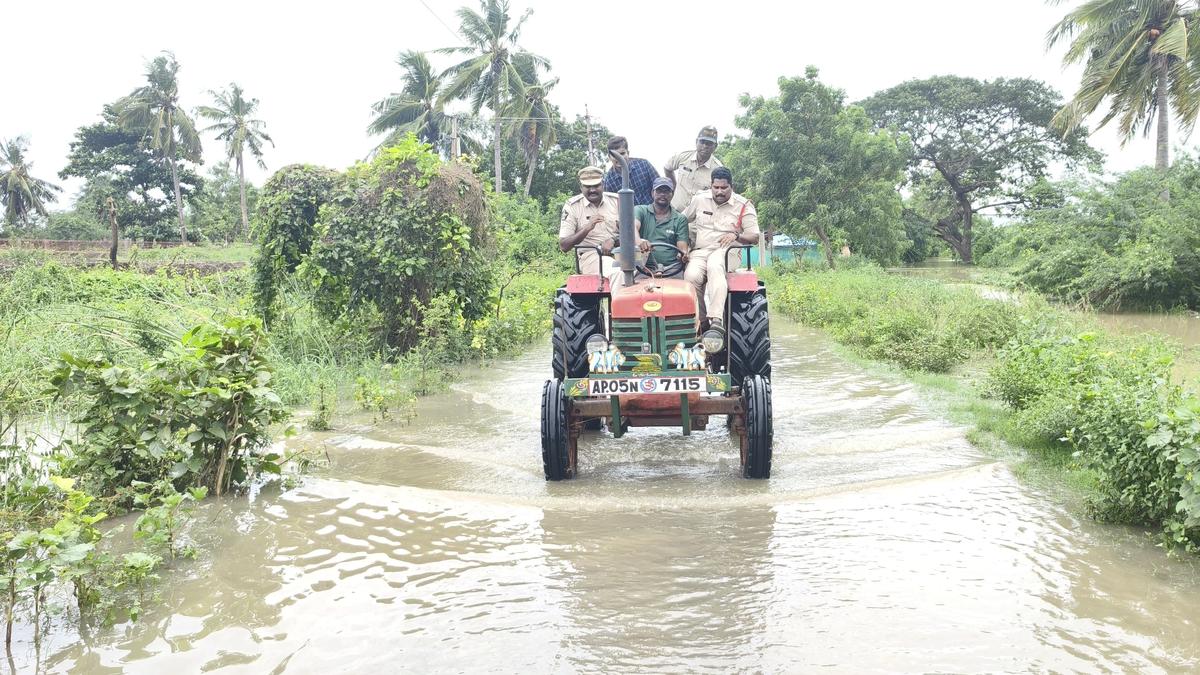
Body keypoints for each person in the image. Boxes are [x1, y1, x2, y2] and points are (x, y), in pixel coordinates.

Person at [682, 167, 760, 332]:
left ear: (731, 186)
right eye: (716, 187)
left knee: (715, 265)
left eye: (723, 188)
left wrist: (736, 236)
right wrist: (682, 244)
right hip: (701, 251)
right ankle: (701, 323)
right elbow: (680, 220)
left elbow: (754, 236)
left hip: (728, 251)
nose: (719, 192)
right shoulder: (699, 200)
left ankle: (716, 319)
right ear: (711, 186)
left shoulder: (743, 205)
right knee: (691, 275)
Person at [560, 166, 647, 288]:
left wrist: (613, 240)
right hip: (591, 255)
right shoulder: (572, 206)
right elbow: (564, 245)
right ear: (581, 187)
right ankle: (621, 307)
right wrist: (587, 228)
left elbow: (630, 233)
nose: (592, 190)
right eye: (588, 187)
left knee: (647, 258)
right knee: (620, 273)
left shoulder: (617, 200)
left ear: (603, 184)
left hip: (620, 251)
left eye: (596, 185)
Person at [625, 177, 689, 278]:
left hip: (672, 268)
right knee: (636, 290)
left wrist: (683, 255)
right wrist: (640, 242)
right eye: (659, 191)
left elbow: (682, 248)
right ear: (652, 193)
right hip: (644, 267)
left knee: (679, 292)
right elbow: (632, 228)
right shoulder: (640, 210)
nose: (663, 194)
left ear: (672, 194)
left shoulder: (680, 219)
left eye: (667, 191)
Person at [663, 125, 724, 212]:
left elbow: (721, 194)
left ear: (715, 146)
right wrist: (673, 186)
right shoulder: (683, 157)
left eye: (709, 143)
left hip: (698, 219)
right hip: (674, 213)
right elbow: (667, 168)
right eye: (702, 142)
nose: (705, 146)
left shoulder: (718, 169)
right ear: (696, 142)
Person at [602, 136, 659, 206]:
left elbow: (659, 187)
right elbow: (611, 205)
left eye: (622, 153)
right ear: (609, 157)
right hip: (629, 216)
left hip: (653, 213)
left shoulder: (644, 165)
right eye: (615, 155)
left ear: (628, 153)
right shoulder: (609, 181)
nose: (620, 158)